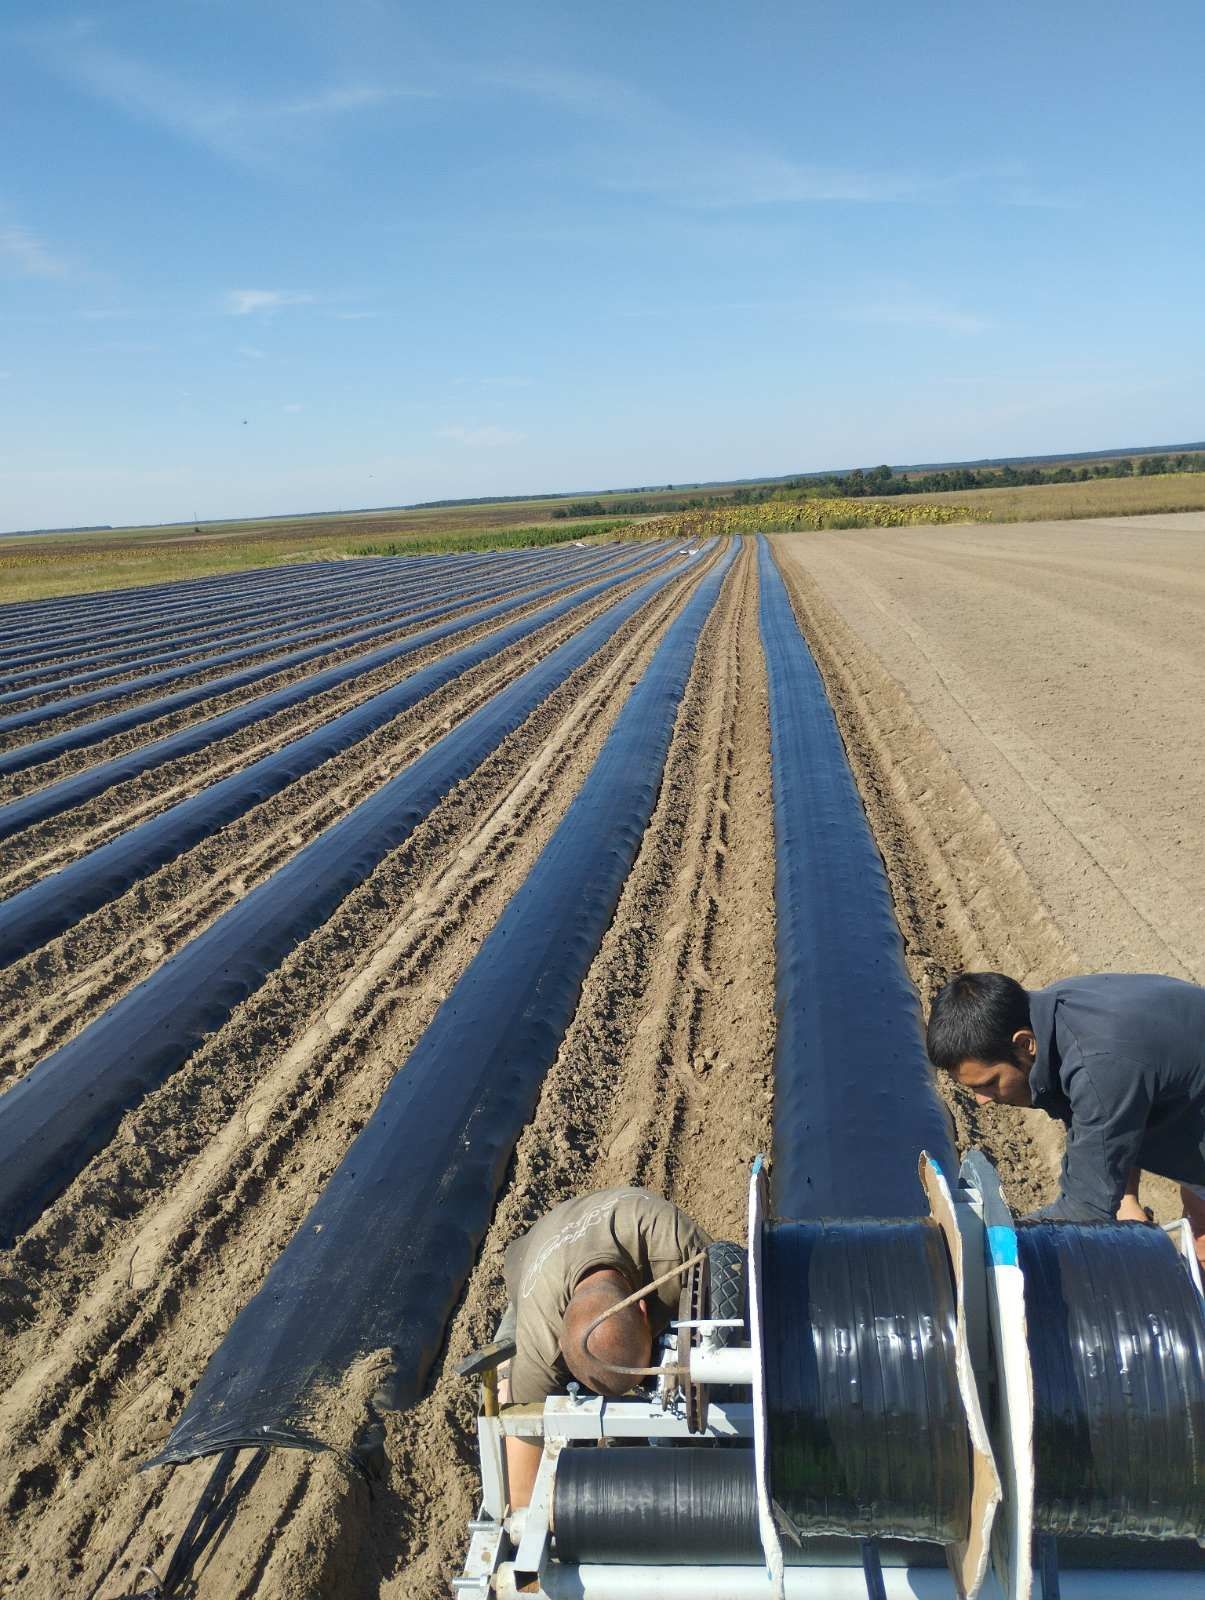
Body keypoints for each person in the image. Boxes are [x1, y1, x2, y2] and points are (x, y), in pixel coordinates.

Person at [926, 971, 1205, 1259]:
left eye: (989, 1083)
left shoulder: (1098, 1066)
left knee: (1200, 1254)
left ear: (1024, 1044)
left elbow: (1084, 1212)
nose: (981, 1100)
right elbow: (1112, 1124)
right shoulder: (1049, 1016)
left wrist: (995, 1243)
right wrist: (1125, 1198)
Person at [495, 1186, 711, 1507]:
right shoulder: (539, 1345)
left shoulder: (674, 1246)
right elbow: (522, 1493)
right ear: (562, 1350)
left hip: (616, 1223)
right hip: (532, 1257)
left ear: (644, 1310)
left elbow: (735, 1303)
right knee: (504, 1390)